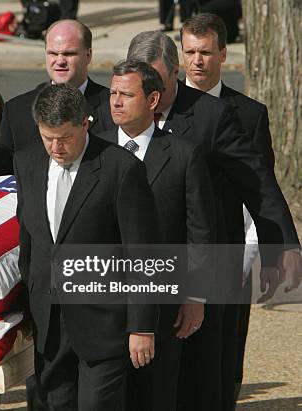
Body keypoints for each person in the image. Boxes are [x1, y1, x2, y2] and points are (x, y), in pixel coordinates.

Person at [93, 30, 301, 411]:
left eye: (159, 81)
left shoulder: (212, 116)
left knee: (203, 379)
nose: (152, 92)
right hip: (132, 278)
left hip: (202, 266)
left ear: (175, 73)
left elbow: (257, 185)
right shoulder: (108, 121)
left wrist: (281, 245)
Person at [15, 83, 158, 410]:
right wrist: (26, 305)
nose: (55, 147)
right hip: (48, 322)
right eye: (47, 137)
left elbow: (142, 253)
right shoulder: (26, 163)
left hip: (104, 321)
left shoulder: (121, 169)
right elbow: (29, 242)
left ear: (85, 123)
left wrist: (142, 327)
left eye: (64, 138)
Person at [97, 59, 216, 411]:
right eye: (113, 93)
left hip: (162, 300)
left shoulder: (183, 154)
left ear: (152, 100)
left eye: (126, 94)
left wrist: (196, 297)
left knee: (156, 393)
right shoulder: (93, 149)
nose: (116, 102)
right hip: (101, 298)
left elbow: (199, 232)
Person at [179, 13, 275, 410]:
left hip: (228, 253)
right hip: (172, 253)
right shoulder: (160, 108)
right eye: (190, 52)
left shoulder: (249, 115)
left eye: (205, 52)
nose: (197, 61)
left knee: (224, 357)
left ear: (223, 54)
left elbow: (261, 193)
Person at [0, 19, 110, 177]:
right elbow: (2, 177)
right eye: (53, 53)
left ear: (88, 56)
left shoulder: (112, 107)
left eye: (69, 53)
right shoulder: (16, 111)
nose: (60, 61)